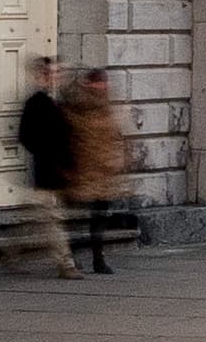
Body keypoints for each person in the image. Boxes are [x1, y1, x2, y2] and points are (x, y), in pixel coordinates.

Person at [61, 66, 131, 277]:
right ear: (90, 84)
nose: (104, 86)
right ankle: (72, 257)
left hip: (103, 172)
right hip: (82, 172)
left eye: (105, 82)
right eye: (99, 82)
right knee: (74, 217)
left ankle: (97, 259)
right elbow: (71, 139)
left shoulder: (108, 108)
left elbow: (118, 137)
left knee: (98, 217)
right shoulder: (78, 108)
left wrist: (121, 161)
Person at [15, 55, 80, 277]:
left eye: (57, 73)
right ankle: (66, 264)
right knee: (53, 220)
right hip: (47, 172)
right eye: (50, 73)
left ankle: (11, 253)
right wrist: (47, 155)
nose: (55, 77)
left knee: (32, 219)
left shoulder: (60, 101)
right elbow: (25, 136)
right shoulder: (36, 103)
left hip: (60, 173)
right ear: (40, 76)